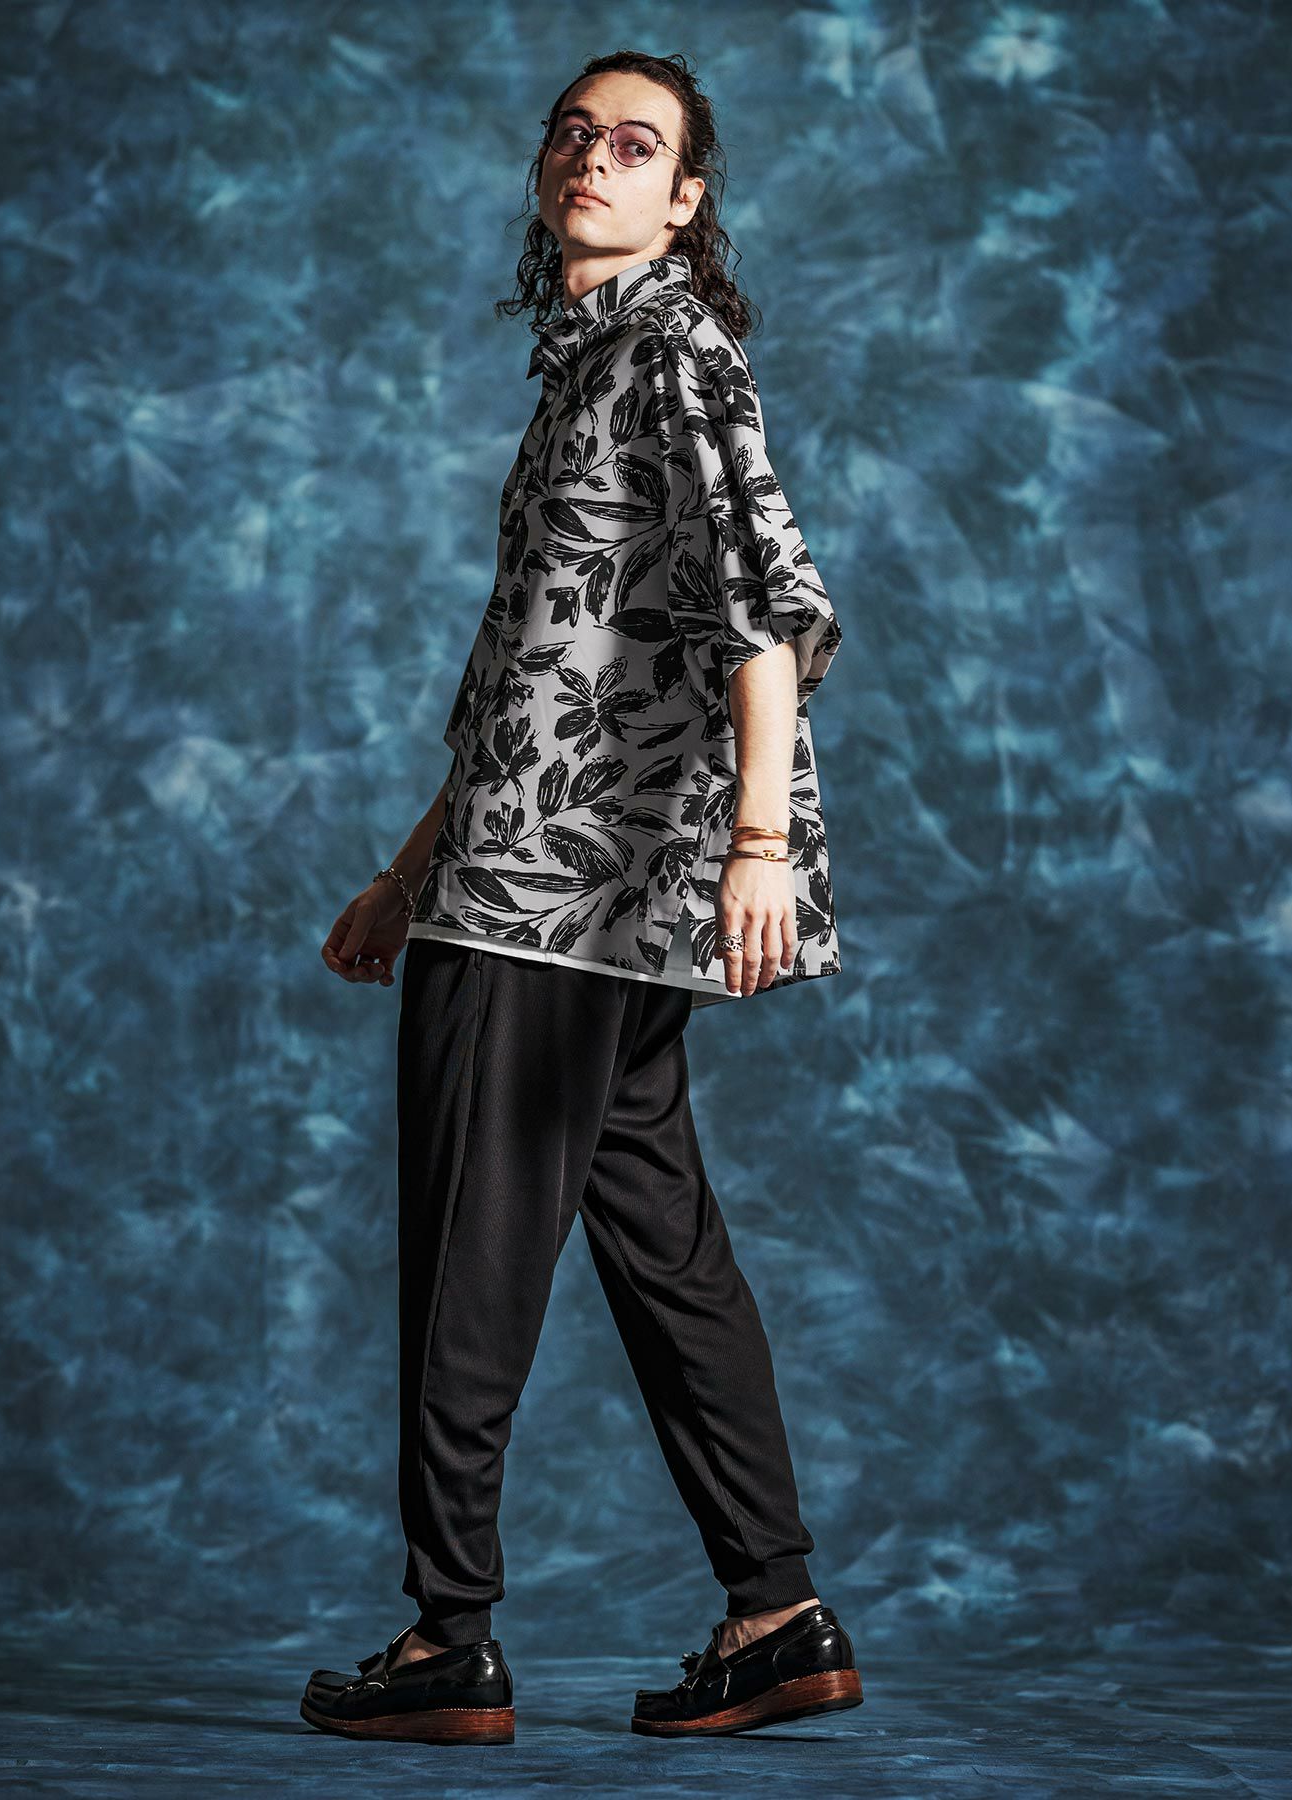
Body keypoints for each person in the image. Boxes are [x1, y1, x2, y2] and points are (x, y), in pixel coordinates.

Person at [302, 49, 863, 1745]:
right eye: (572, 134)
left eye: (635, 145)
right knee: (669, 1256)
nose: (591, 159)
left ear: (684, 200)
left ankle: (446, 1636)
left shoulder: (670, 350)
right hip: (550, 891)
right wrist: (409, 870)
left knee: (467, 1257)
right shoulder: (593, 364)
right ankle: (777, 1613)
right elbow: (536, 683)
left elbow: (766, 611)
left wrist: (758, 847)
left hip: (549, 906)